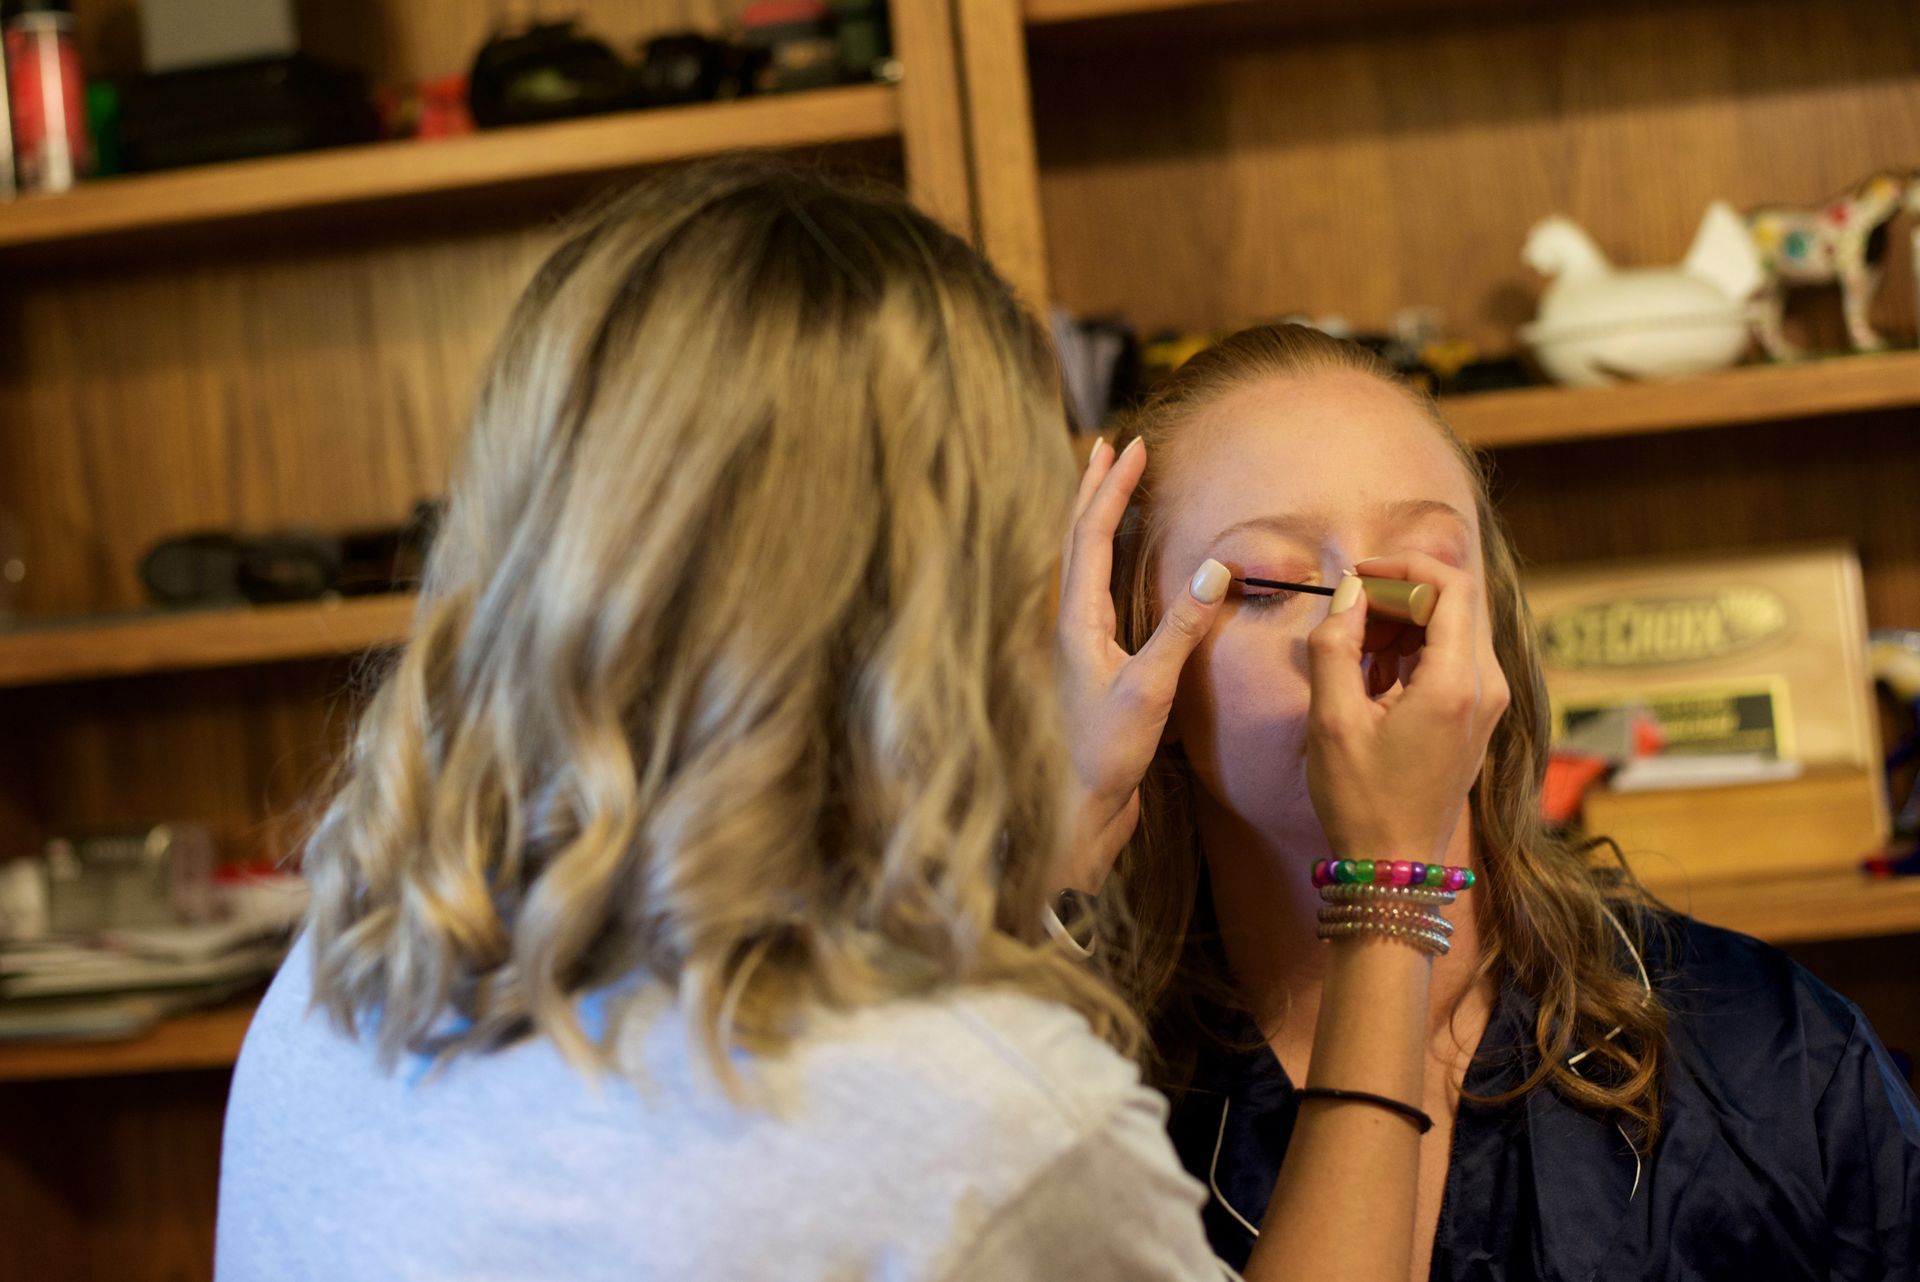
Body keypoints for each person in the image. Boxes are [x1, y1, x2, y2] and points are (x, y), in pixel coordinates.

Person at [213, 163, 1506, 1281]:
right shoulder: (998, 1132)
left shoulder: (328, 994)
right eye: (1272, 579)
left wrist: (1026, 865)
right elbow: (895, 1142)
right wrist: (1393, 888)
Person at [1086, 321, 1920, 1280]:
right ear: (1134, 659)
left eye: (1423, 572)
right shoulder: (1074, 1115)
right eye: (1273, 586)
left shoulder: (1780, 1057)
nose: (1367, 627)